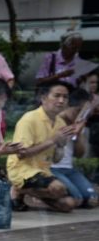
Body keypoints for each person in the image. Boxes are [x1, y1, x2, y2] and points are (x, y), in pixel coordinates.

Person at [7, 79, 79, 212]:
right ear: (44, 98)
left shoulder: (60, 123)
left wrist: (60, 146)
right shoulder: (29, 119)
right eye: (57, 96)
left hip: (43, 172)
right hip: (22, 169)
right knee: (58, 188)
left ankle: (23, 193)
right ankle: (17, 187)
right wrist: (52, 141)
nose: (61, 100)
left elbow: (56, 159)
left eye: (65, 97)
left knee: (69, 204)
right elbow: (21, 154)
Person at [51, 88, 97, 208]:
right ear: (67, 106)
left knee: (92, 199)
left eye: (83, 113)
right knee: (77, 199)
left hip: (69, 169)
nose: (79, 116)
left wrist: (79, 133)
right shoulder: (54, 120)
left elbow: (79, 154)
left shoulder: (77, 124)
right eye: (77, 111)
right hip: (52, 168)